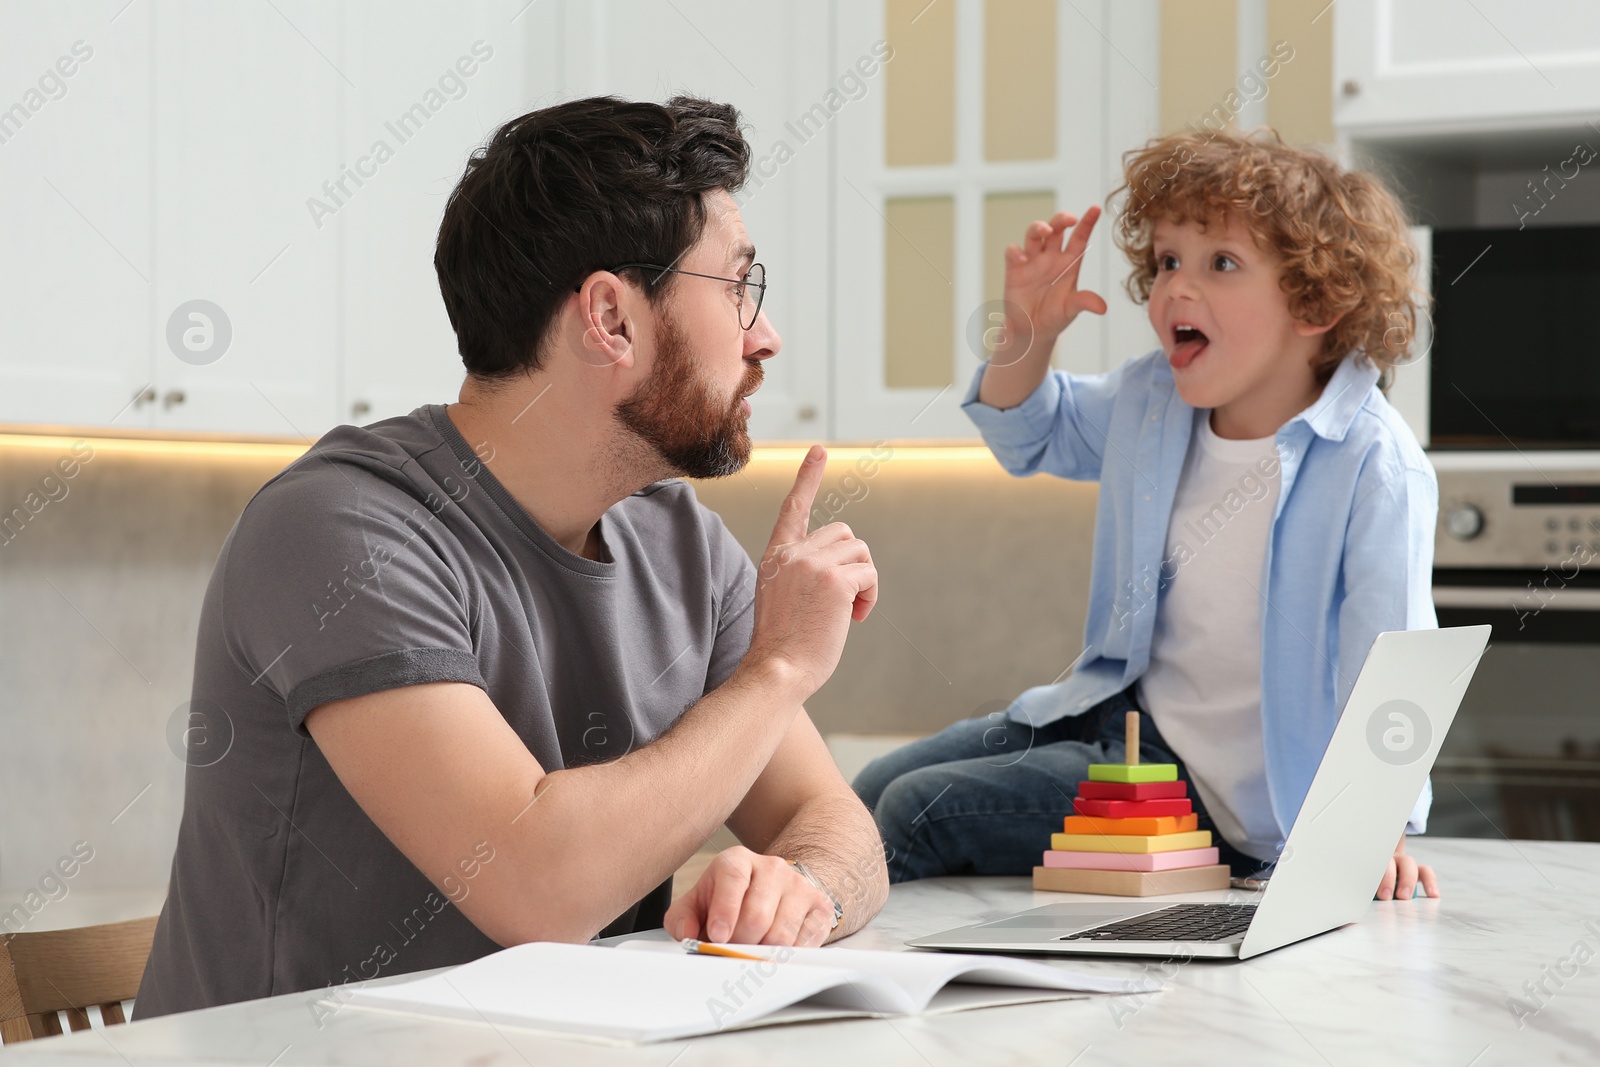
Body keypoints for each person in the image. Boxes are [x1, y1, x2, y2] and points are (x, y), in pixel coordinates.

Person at [135, 96, 886, 1018]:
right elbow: (538, 885)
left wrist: (803, 892)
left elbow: (836, 826)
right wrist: (777, 669)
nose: (763, 336)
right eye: (737, 288)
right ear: (610, 317)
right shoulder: (343, 530)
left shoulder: (679, 540)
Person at [855, 127, 1439, 902]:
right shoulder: (1153, 401)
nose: (1175, 289)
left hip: (1225, 804)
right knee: (870, 784)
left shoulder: (1372, 462)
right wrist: (1029, 330)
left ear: (1315, 302)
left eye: (1220, 263)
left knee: (912, 810)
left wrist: (1375, 832)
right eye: (1168, 261)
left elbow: (1394, 664)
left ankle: (809, 942)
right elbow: (1031, 432)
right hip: (1122, 718)